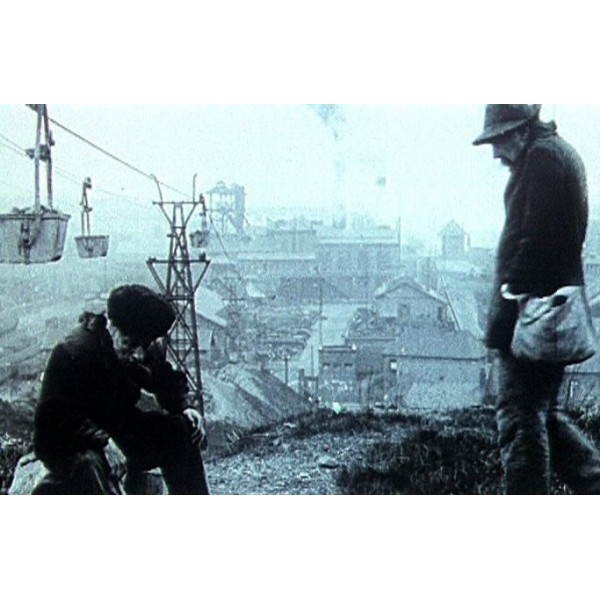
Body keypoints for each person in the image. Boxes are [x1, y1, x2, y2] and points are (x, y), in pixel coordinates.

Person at [474, 104, 600, 494]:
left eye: (499, 140)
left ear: (521, 131)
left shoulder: (543, 160)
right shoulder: (555, 153)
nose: (496, 153)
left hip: (531, 315)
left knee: (519, 419)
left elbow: (536, 240)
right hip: (547, 312)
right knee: (544, 417)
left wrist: (511, 294)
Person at [33, 284, 210, 495]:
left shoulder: (138, 343)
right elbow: (51, 421)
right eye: (131, 344)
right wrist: (102, 442)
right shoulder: (75, 352)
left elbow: (161, 376)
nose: (139, 354)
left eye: (144, 345)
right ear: (112, 327)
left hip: (118, 426)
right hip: (75, 438)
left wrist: (184, 407)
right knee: (91, 466)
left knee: (183, 432)